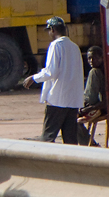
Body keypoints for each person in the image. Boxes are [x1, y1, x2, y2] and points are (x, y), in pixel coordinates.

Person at [23, 17, 84, 145]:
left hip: (57, 99)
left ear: (52, 29)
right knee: (70, 139)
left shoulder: (56, 45)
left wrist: (33, 78)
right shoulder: (74, 47)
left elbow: (51, 71)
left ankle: (45, 164)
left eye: (49, 31)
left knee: (48, 137)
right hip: (73, 101)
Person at [77, 46, 106, 146]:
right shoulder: (98, 71)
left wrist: (87, 108)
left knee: (72, 118)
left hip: (98, 106)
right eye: (89, 58)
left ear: (102, 57)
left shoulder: (97, 72)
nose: (92, 61)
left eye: (95, 58)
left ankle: (90, 145)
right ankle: (91, 143)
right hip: (94, 105)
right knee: (72, 119)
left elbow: (105, 102)